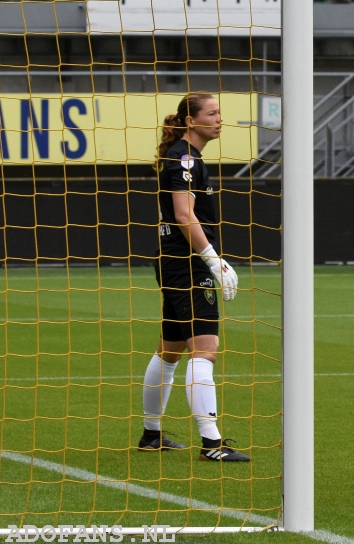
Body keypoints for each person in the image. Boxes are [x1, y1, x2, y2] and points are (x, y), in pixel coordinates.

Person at [137, 92, 249, 462]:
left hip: (173, 263)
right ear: (190, 120)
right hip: (186, 264)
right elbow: (185, 216)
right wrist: (212, 260)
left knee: (169, 350)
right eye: (212, 113)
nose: (219, 119)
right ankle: (212, 444)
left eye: (220, 113)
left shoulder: (189, 157)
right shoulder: (184, 158)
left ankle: (152, 434)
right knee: (205, 350)